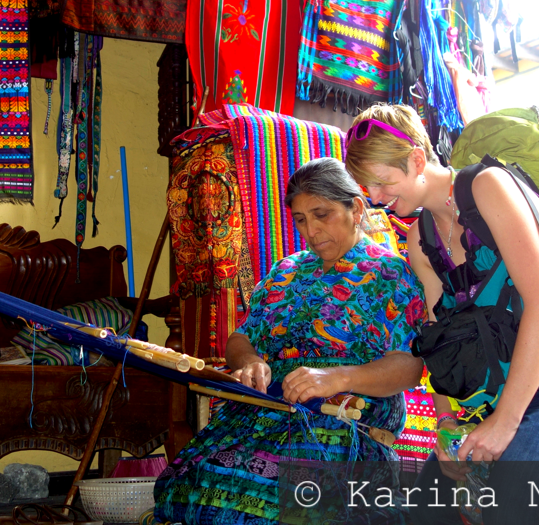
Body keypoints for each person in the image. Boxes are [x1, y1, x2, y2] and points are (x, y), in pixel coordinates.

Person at [343, 103, 539, 525]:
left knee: (519, 500)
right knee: (426, 511)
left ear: (417, 159)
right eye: (367, 186)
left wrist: (505, 423)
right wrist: (447, 425)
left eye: (381, 181)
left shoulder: (488, 186)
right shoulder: (420, 240)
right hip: (518, 396)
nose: (375, 198)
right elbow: (441, 340)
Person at [154, 157, 427, 524]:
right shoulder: (286, 272)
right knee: (186, 485)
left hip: (344, 417)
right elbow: (240, 338)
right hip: (267, 411)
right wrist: (250, 361)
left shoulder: (391, 274)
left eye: (322, 214)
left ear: (356, 208)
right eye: (301, 220)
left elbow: (410, 367)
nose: (311, 231)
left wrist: (337, 378)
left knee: (276, 501)